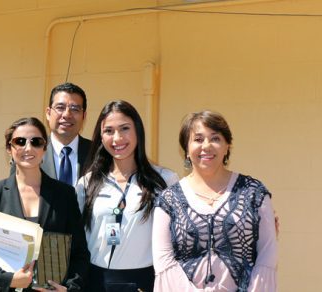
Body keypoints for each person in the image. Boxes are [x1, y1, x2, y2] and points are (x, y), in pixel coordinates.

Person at [152, 111, 278, 291]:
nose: (206, 146)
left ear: (227, 146)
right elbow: (164, 261)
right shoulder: (169, 200)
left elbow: (267, 254)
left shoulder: (254, 193)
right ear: (186, 148)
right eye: (198, 139)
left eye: (215, 138)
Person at [0, 117, 89, 291]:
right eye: (20, 142)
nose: (28, 148)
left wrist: (69, 288)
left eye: (36, 142)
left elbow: (80, 253)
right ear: (9, 148)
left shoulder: (65, 194)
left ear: (44, 148)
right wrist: (8, 279)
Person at [75, 100, 179, 291]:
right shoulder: (86, 183)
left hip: (144, 281)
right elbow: (77, 241)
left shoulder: (165, 180)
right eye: (109, 131)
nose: (117, 138)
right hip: (95, 281)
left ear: (138, 131)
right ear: (101, 136)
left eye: (124, 128)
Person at [42, 82, 93, 186]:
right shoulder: (31, 151)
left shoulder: (97, 153)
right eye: (60, 108)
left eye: (75, 109)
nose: (67, 115)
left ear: (84, 116)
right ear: (48, 113)